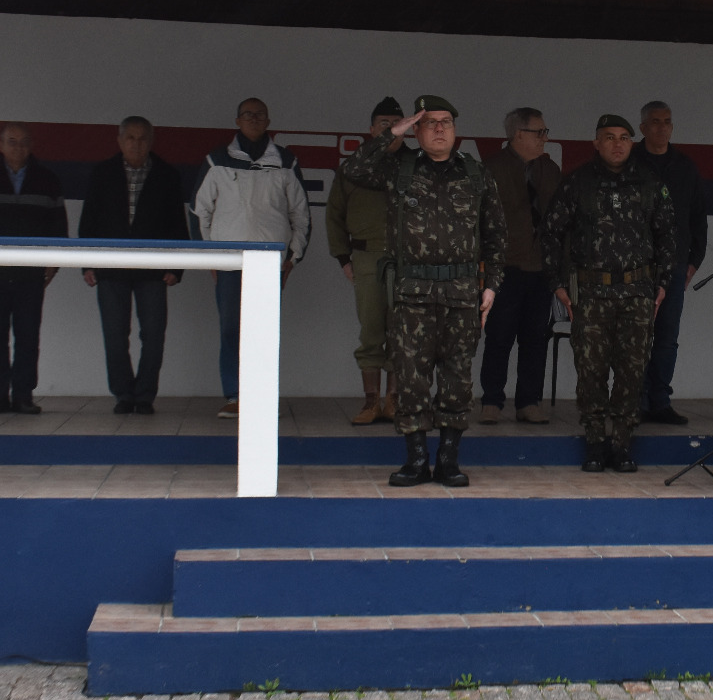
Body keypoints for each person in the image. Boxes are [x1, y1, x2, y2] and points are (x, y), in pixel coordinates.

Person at [339, 95, 505, 488]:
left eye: (446, 121)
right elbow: (352, 169)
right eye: (429, 122)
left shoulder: (476, 175)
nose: (439, 129)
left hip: (463, 292)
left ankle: (448, 460)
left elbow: (497, 237)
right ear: (416, 129)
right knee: (411, 379)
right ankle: (416, 459)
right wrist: (391, 134)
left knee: (457, 379)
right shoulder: (400, 169)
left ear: (455, 129)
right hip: (413, 292)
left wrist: (492, 286)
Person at [541, 114, 677, 472]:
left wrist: (662, 284)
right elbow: (551, 233)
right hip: (592, 293)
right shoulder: (578, 183)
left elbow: (667, 236)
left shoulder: (649, 183)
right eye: (608, 137)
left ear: (631, 143)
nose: (617, 144)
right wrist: (557, 282)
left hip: (637, 292)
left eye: (623, 137)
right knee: (591, 371)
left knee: (632, 371)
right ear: (596, 143)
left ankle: (622, 443)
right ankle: (595, 442)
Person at [191, 98, 311, 420]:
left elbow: (301, 215)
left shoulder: (286, 161)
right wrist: (209, 257)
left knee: (264, 332)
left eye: (259, 115)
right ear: (237, 120)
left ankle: (261, 398)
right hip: (229, 262)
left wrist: (292, 258)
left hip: (270, 264)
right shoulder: (217, 160)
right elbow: (199, 211)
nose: (254, 119)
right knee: (231, 328)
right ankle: (234, 396)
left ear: (268, 120)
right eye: (248, 115)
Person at [77, 116, 190, 415]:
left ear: (151, 142)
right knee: (114, 336)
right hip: (110, 268)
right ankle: (123, 395)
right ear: (120, 140)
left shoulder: (167, 175)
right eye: (131, 138)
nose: (136, 144)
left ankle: (145, 396)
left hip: (153, 269)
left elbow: (178, 225)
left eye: (142, 139)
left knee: (153, 335)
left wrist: (176, 268)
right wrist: (86, 263)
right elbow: (88, 221)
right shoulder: (102, 173)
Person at [0, 123, 67, 414]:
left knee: (28, 336)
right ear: (0, 145)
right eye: (12, 141)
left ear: (31, 146)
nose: (17, 147)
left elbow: (59, 226)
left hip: (30, 273)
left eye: (23, 142)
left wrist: (53, 264)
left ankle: (23, 396)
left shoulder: (48, 180)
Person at [479, 106, 562, 425]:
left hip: (540, 269)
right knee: (499, 336)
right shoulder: (491, 169)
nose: (544, 138)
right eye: (538, 132)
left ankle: (529, 401)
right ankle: (491, 401)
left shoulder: (549, 170)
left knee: (535, 338)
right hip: (504, 268)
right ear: (518, 135)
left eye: (545, 132)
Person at [326, 98, 401, 427]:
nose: (389, 128)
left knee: (403, 331)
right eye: (383, 123)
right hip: (366, 257)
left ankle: (394, 400)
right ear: (372, 129)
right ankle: (371, 402)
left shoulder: (416, 164)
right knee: (371, 331)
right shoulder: (354, 167)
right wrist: (343, 257)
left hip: (407, 258)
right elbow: (334, 215)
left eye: (396, 122)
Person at [633, 101, 706, 426]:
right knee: (633, 335)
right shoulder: (629, 161)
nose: (661, 127)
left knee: (665, 337)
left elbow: (697, 218)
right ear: (643, 127)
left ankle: (659, 402)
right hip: (633, 265)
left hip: (674, 266)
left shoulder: (685, 166)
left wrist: (693, 262)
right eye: (655, 122)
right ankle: (632, 401)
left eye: (667, 122)